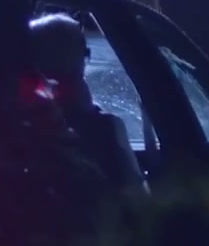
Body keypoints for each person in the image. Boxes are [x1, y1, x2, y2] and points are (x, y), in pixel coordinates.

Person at [27, 13, 148, 195]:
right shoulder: (108, 129)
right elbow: (138, 199)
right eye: (85, 53)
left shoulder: (18, 126)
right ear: (79, 60)